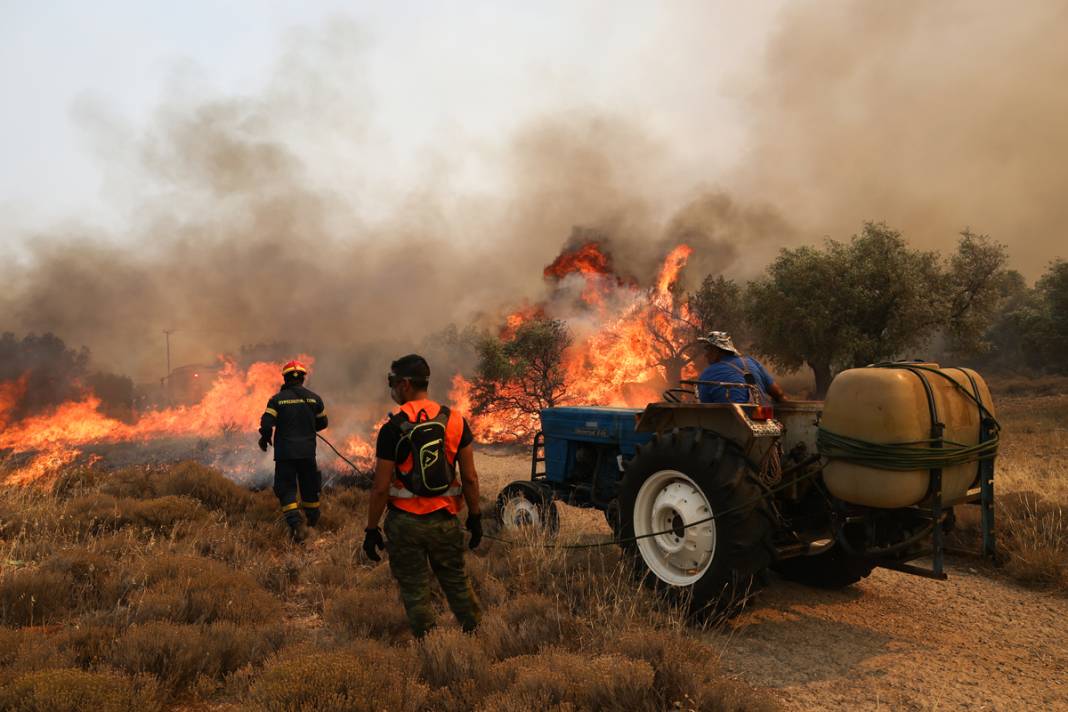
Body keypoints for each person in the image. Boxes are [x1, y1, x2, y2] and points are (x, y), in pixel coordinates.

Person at [362, 353, 483, 638]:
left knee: (415, 589)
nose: (390, 388)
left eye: (391, 382)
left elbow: (380, 488)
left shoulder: (392, 428)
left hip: (406, 524)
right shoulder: (455, 420)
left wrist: (371, 528)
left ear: (404, 384)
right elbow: (470, 477)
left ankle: (429, 646)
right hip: (445, 520)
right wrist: (476, 517)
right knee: (456, 582)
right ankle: (477, 636)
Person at [258, 360, 329, 542]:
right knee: (309, 488)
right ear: (303, 379)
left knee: (286, 488)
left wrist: (265, 438)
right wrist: (307, 427)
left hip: (285, 454)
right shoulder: (314, 398)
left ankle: (296, 524)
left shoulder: (277, 400)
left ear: (285, 378)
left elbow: (267, 423)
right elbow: (323, 423)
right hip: (307, 453)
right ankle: (311, 522)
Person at [695, 331, 786, 404]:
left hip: (728, 422)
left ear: (717, 351)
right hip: (762, 418)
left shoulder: (707, 373)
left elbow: (704, 404)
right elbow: (779, 394)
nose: (706, 355)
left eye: (708, 349)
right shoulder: (750, 362)